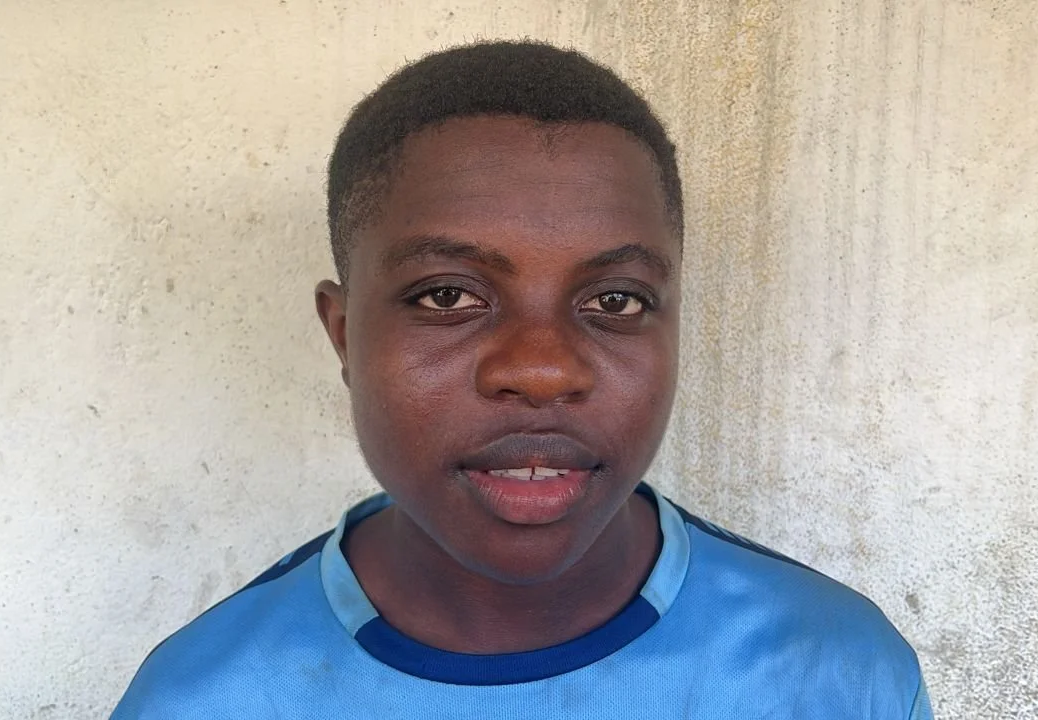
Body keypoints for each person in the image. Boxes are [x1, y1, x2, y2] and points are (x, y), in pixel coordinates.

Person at [110, 40, 932, 719]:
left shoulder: (834, 672)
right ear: (345, 334)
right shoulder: (201, 699)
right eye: (448, 295)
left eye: (615, 299)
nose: (542, 370)